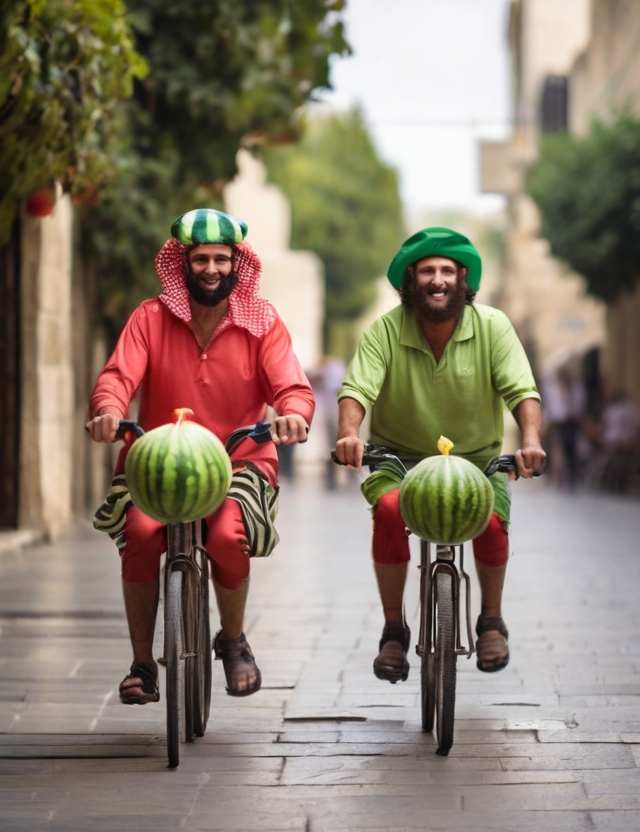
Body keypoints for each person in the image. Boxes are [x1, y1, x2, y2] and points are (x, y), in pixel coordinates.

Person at [87, 209, 314, 703]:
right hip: (154, 464)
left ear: (237, 264)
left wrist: (294, 413)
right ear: (182, 264)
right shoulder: (149, 317)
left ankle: (232, 640)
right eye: (200, 259)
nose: (211, 268)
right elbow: (117, 377)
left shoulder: (264, 322)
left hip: (239, 462)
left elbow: (292, 385)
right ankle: (143, 664)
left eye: (221, 259)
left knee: (229, 534)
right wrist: (108, 409)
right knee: (142, 535)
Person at [334, 227, 546, 681]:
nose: (438, 279)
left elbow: (521, 390)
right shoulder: (385, 330)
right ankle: (394, 629)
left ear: (463, 279)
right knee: (390, 511)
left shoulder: (493, 326)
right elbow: (357, 389)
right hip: (400, 462)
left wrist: (530, 441)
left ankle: (491, 619)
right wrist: (349, 433)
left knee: (490, 521)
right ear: (410, 281)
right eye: (427, 270)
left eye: (447, 270)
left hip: (476, 462)